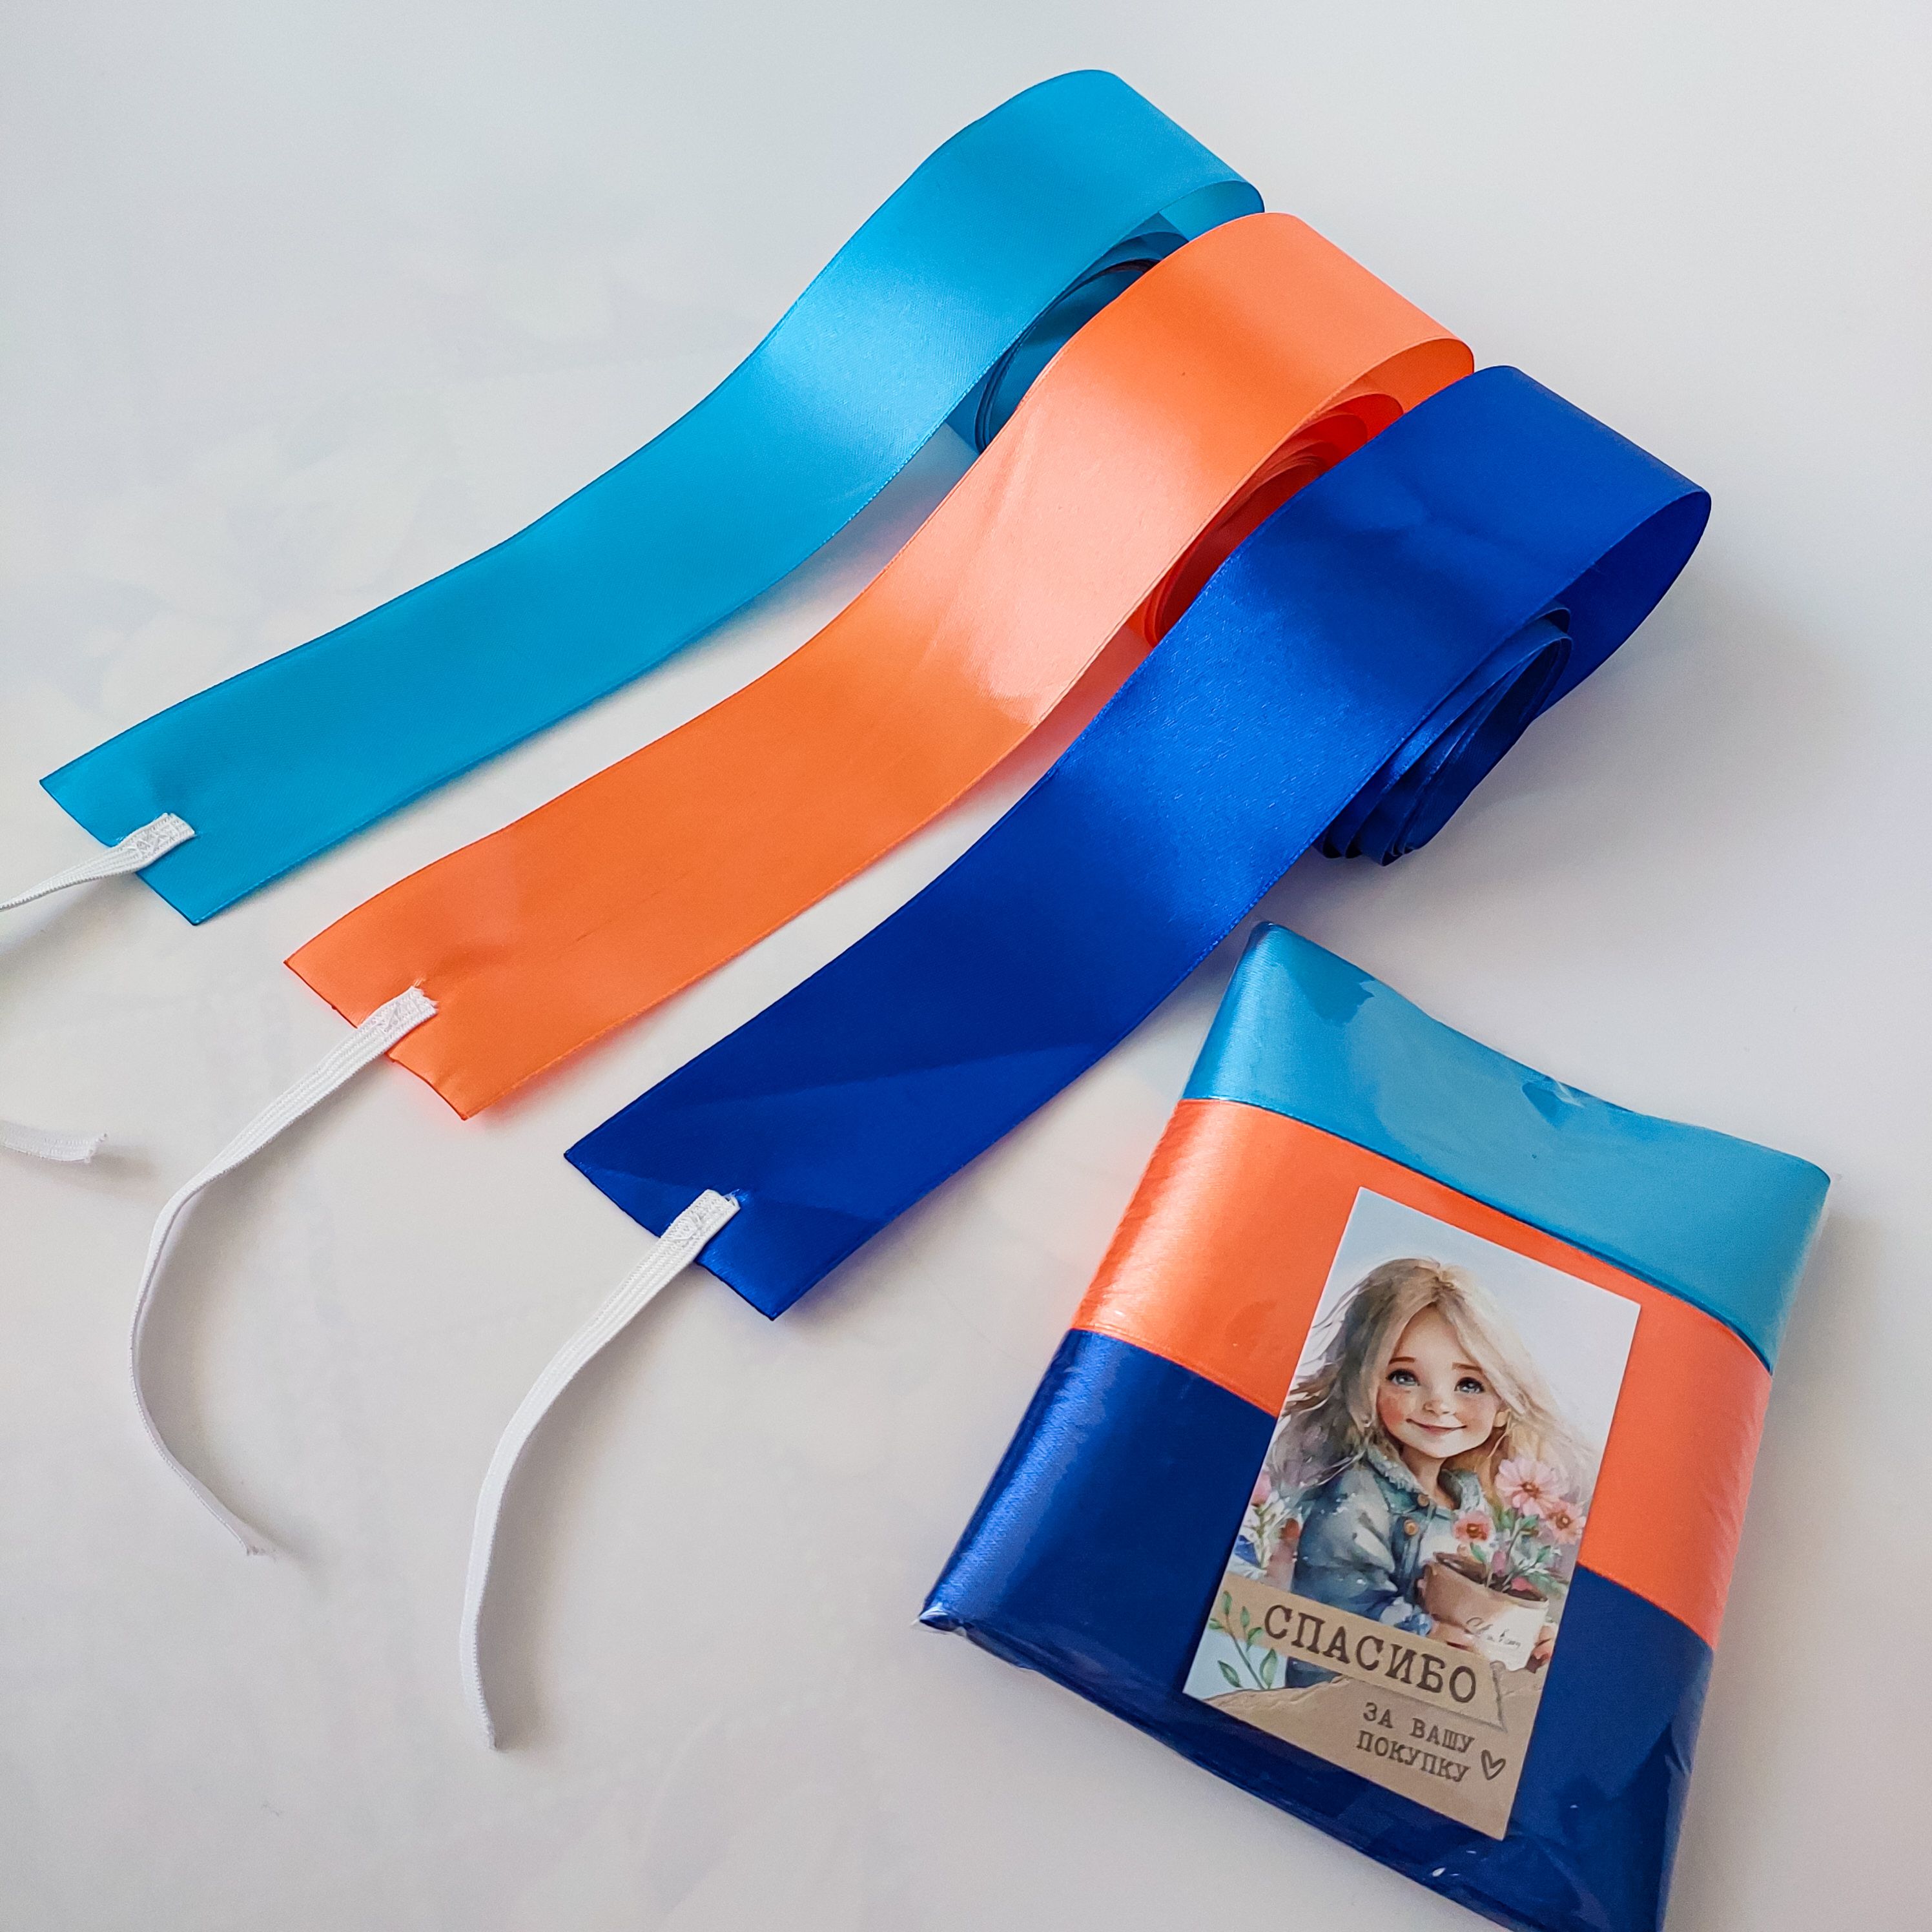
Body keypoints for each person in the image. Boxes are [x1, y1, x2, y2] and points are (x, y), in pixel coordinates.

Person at [1251, 1257, 1592, 1672]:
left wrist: (1525, 1636)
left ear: (1504, 1405)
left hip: (1435, 1691)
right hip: (1347, 1692)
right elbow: (1338, 1592)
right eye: (1404, 1377)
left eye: (1469, 1384)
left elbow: (1490, 1599)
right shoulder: (1359, 1493)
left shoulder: (1472, 1505)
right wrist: (1420, 1633)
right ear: (1366, 1384)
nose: (1439, 1404)